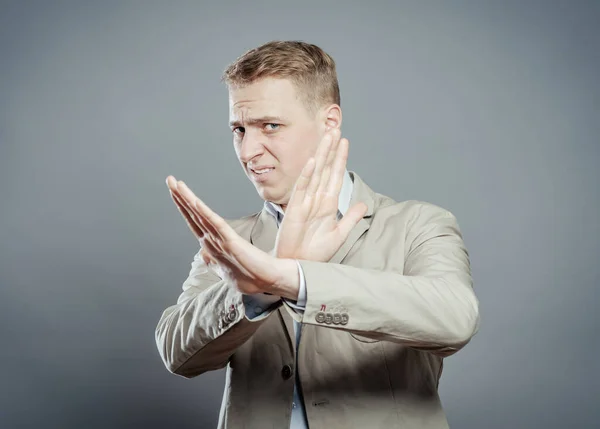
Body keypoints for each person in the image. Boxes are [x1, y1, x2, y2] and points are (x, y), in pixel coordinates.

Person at [155, 40, 480, 429]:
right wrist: (256, 290)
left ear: (329, 122)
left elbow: (455, 318)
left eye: (270, 126)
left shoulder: (418, 224)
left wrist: (290, 277)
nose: (248, 150)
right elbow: (178, 353)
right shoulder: (231, 242)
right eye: (239, 129)